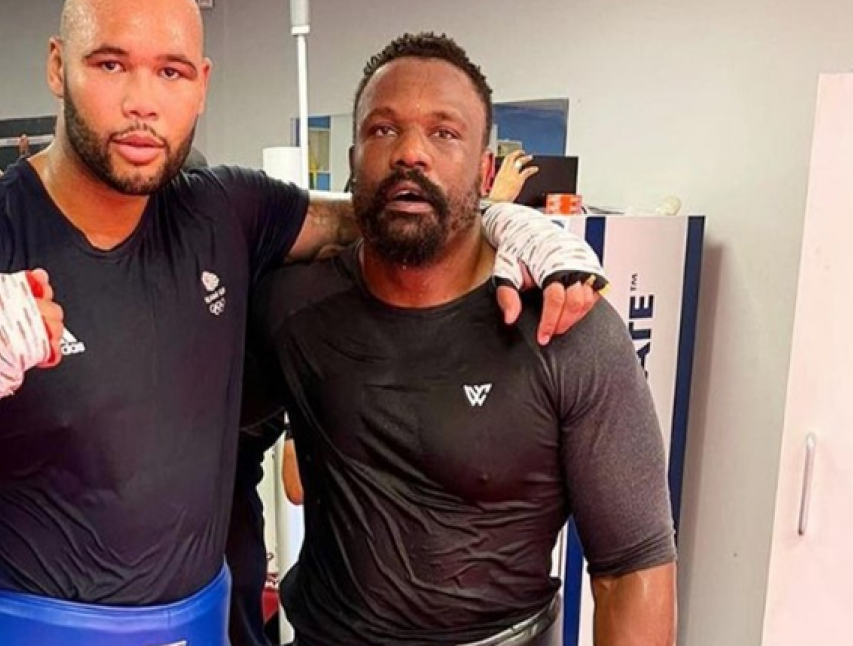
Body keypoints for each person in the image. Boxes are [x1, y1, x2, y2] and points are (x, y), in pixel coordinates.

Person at [0, 0, 608, 646]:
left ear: (202, 84)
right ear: (58, 66)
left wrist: (500, 222)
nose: (142, 102)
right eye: (110, 64)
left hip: (199, 627)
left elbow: (373, 218)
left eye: (171, 71)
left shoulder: (225, 212)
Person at [242, 33, 677, 646]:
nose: (410, 153)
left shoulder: (566, 326)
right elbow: (210, 460)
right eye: (383, 130)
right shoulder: (293, 307)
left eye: (444, 132)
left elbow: (632, 569)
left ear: (484, 169)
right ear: (354, 157)